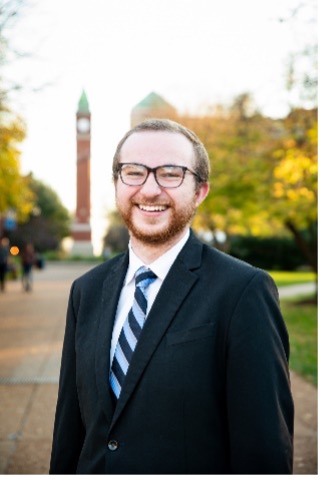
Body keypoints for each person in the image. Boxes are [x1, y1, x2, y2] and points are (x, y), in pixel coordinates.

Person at [50, 119, 294, 474]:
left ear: (200, 191)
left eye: (170, 173)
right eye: (134, 172)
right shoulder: (86, 290)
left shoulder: (243, 292)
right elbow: (69, 431)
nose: (149, 190)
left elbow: (264, 451)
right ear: (118, 184)